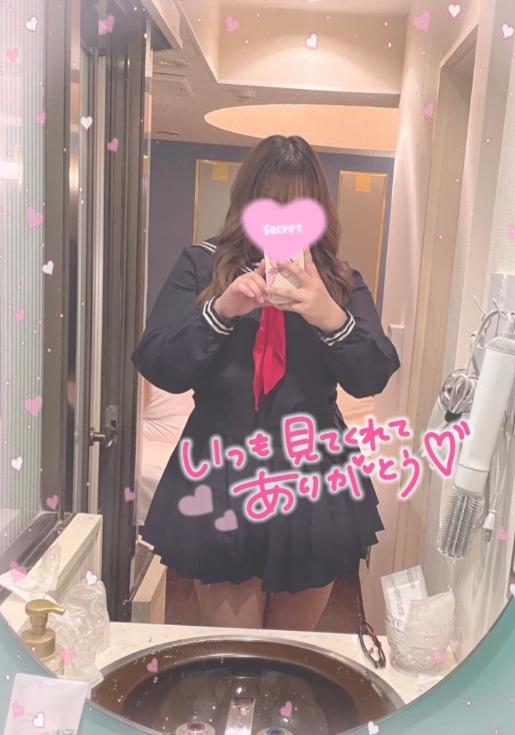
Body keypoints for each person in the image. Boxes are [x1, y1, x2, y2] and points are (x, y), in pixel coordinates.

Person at [131, 134, 400, 631]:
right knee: (235, 651)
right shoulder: (203, 266)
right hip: (221, 467)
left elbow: (373, 375)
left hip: (311, 473)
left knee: (289, 651)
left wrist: (328, 315)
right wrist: (221, 310)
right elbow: (157, 362)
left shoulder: (338, 280)